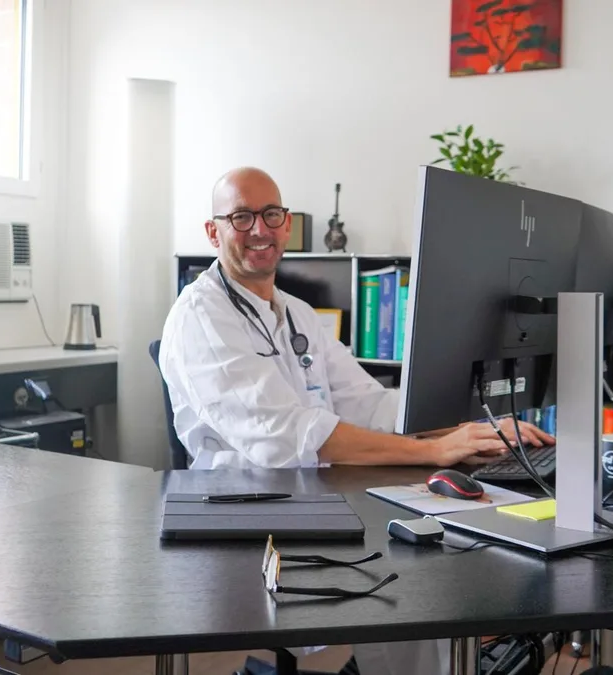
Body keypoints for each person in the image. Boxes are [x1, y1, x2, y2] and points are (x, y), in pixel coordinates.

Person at [158, 167, 554, 675]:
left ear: (286, 224)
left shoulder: (297, 313)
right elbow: (290, 437)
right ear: (214, 232)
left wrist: (467, 428)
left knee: (433, 556)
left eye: (272, 215)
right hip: (247, 508)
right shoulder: (200, 317)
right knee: (417, 567)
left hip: (318, 491)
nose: (260, 229)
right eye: (241, 217)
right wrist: (434, 452)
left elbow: (369, 403)